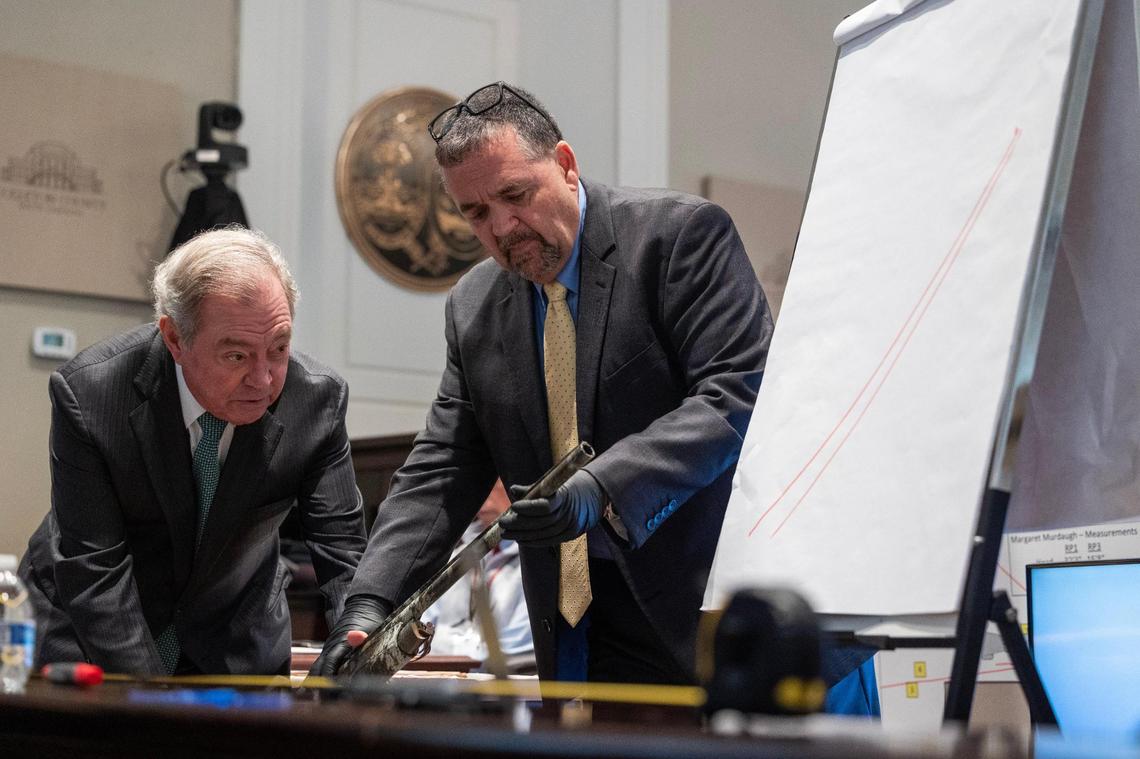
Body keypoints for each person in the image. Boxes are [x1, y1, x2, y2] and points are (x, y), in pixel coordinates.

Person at [313, 81, 773, 684]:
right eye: (475, 212)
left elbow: (735, 393)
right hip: (576, 630)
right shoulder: (473, 305)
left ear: (565, 165)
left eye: (514, 194)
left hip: (712, 609)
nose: (503, 227)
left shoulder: (677, 238)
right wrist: (371, 600)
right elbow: (442, 467)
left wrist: (601, 487)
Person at [19, 226, 367, 676]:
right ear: (175, 338)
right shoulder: (92, 394)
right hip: (89, 638)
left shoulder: (316, 400)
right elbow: (95, 570)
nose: (263, 379)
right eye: (237, 356)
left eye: (279, 348)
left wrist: (359, 637)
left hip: (232, 642)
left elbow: (344, 555)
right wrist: (155, 709)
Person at [420, 480, 534, 671]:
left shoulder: (533, 558)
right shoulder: (456, 555)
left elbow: (516, 648)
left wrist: (446, 656)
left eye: (492, 482)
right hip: (440, 680)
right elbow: (423, 625)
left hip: (503, 686)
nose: (483, 495)